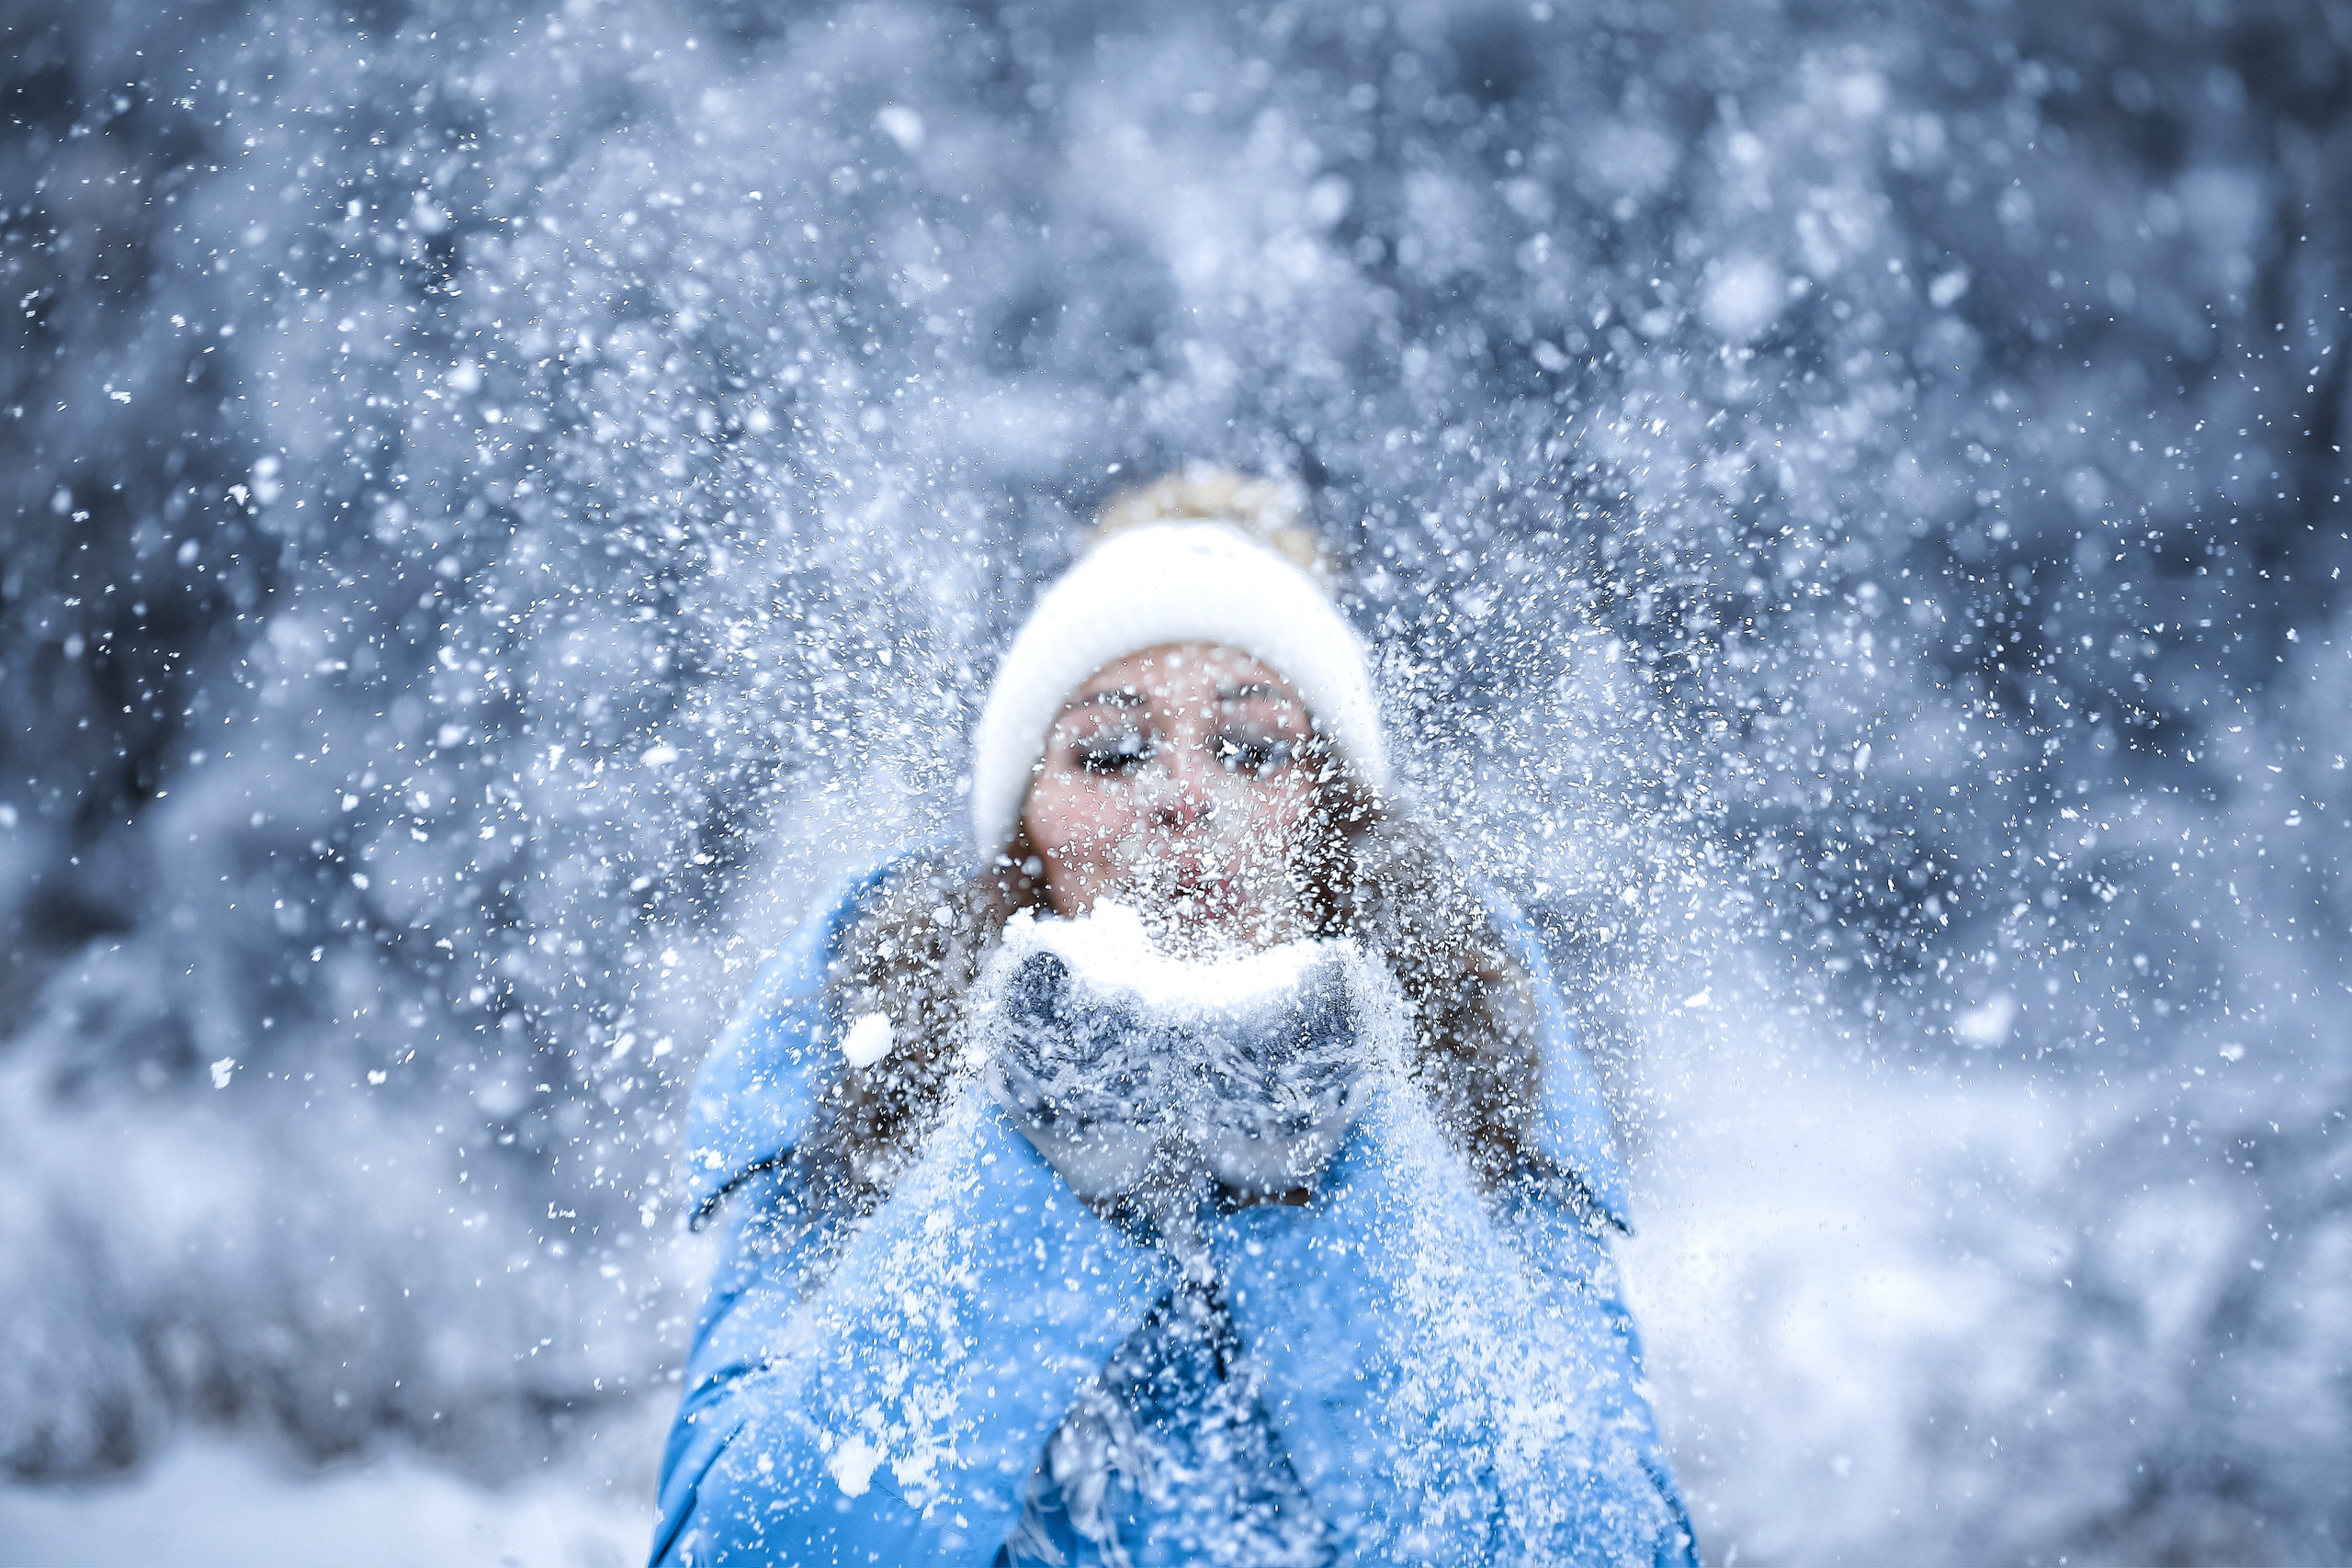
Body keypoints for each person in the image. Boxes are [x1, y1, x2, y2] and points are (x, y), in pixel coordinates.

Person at [650, 470, 1698, 1566]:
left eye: (1252, 747)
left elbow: (1603, 1549)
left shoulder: (1475, 1064)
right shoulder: (878, 1068)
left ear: (1336, 822)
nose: (1183, 796)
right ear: (1025, 838)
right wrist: (1027, 1167)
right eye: (1108, 752)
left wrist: (1331, 1177)